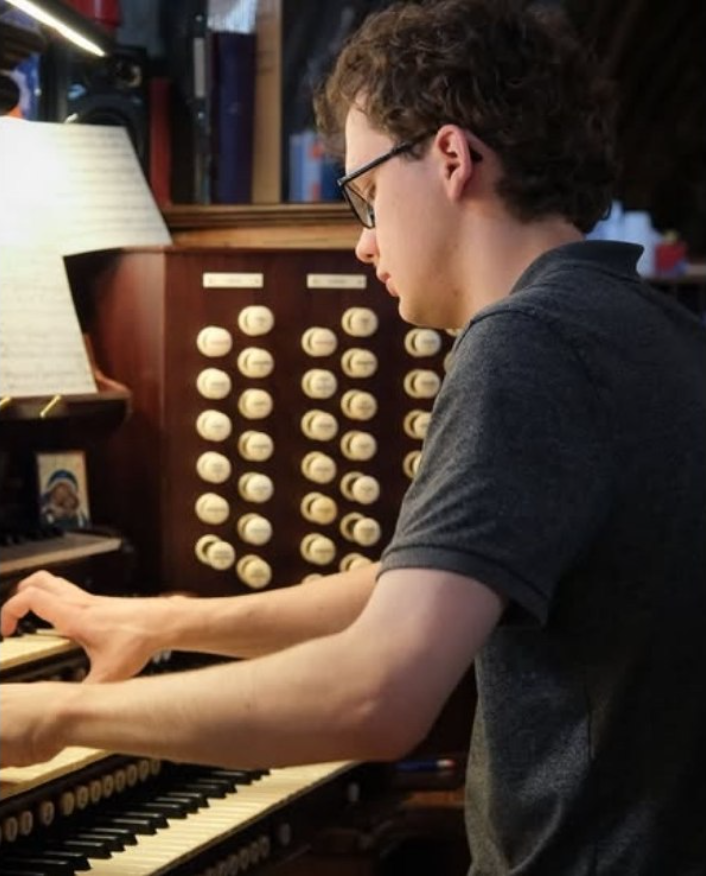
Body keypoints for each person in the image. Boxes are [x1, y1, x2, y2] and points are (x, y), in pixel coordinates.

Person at [2, 0, 705, 872]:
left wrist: (47, 716)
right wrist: (162, 621)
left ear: (451, 158)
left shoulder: (529, 344)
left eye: (366, 195)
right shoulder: (648, 328)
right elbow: (412, 586)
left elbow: (377, 692)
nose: (363, 243)